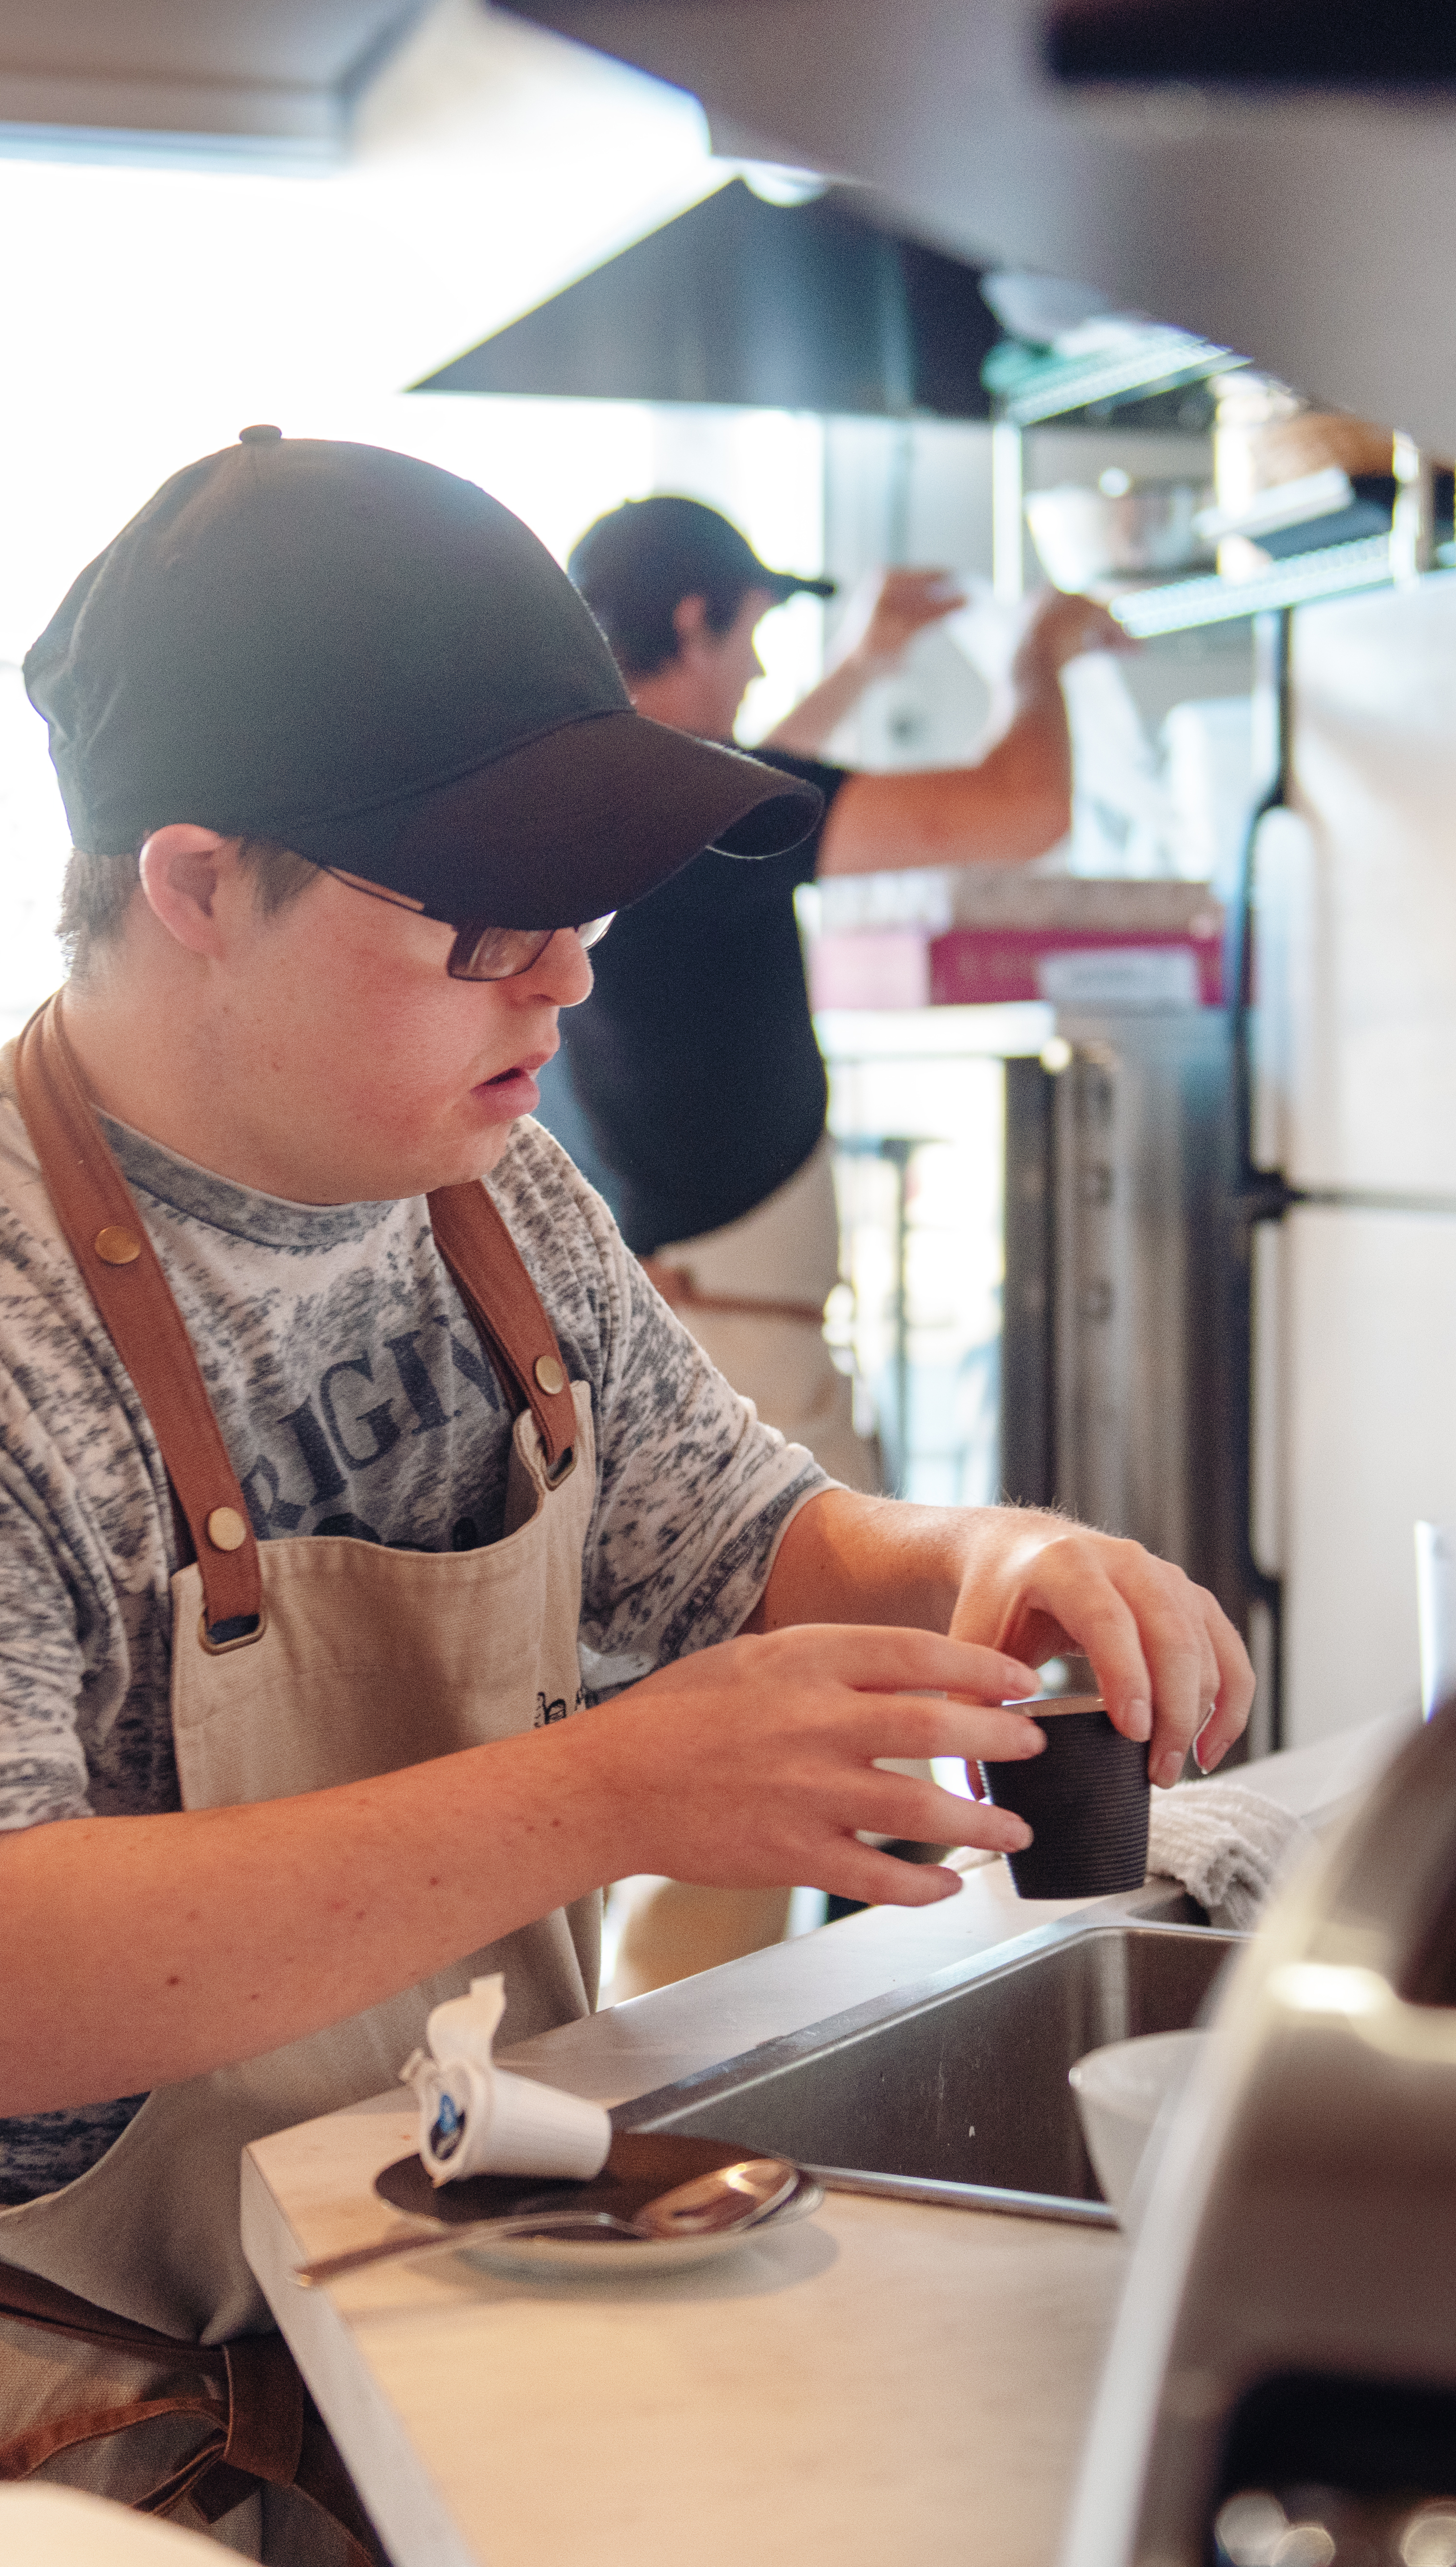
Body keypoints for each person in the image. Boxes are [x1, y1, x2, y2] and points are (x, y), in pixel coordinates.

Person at [0, 432, 1252, 2567]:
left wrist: (1003, 1558)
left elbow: (750, 1539)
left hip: (381, 2332)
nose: (569, 978)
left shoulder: (495, 1195)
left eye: (586, 904)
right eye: (486, 918)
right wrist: (609, 1791)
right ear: (196, 883)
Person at [555, 495, 1137, 1994]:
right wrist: (1044, 654)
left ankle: (660, 2068)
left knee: (705, 1765)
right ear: (692, 623)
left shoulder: (595, 800)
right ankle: (681, 2098)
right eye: (750, 632)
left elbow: (766, 783)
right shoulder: (694, 812)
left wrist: (867, 664)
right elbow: (1020, 808)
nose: (760, 669)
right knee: (761, 1771)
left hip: (666, 1324)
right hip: (738, 1354)